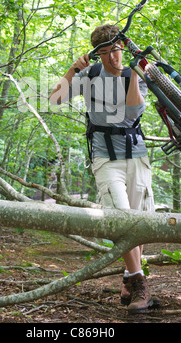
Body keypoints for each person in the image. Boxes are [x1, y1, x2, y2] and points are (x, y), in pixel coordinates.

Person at [49, 23, 155, 314]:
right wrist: (73, 70)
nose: (113, 57)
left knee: (140, 222)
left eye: (116, 49)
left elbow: (133, 111)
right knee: (120, 218)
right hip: (106, 160)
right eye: (106, 52)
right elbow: (54, 99)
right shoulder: (90, 75)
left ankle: (127, 278)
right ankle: (139, 281)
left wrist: (133, 74)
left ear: (122, 46)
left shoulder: (137, 72)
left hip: (137, 155)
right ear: (98, 55)